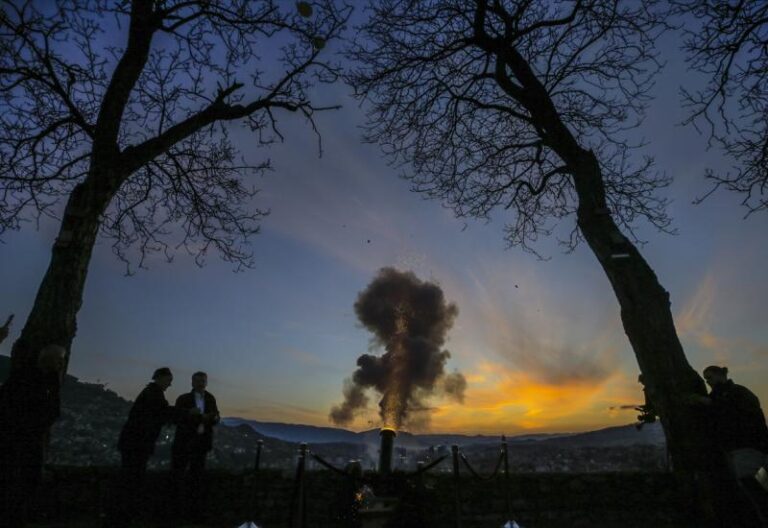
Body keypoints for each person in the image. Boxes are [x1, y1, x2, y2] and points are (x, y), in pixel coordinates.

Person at [0, 344, 66, 528]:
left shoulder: (51, 380)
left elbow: (54, 409)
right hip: (15, 438)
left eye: (62, 360)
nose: (61, 364)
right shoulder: (24, 377)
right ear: (46, 359)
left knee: (29, 479)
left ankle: (17, 516)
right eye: (59, 360)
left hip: (32, 438)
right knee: (14, 478)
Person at [697, 365, 768, 527]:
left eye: (710, 377)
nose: (708, 381)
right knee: (747, 482)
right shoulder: (721, 396)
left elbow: (736, 414)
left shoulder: (738, 393)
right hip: (743, 446)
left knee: (747, 481)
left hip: (749, 444)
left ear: (721, 375)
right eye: (706, 378)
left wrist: (709, 403)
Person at [111, 367, 180, 526]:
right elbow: (162, 412)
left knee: (130, 477)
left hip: (133, 443)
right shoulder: (153, 394)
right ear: (160, 378)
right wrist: (187, 413)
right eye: (169, 381)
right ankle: (122, 516)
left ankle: (121, 515)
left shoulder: (150, 392)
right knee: (132, 478)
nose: (169, 385)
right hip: (137, 444)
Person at [171, 371, 220, 521]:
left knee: (197, 478)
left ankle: (194, 513)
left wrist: (212, 418)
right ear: (192, 382)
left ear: (206, 383)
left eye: (203, 381)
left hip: (201, 444)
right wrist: (191, 414)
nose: (200, 383)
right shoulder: (184, 399)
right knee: (178, 476)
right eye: (198, 381)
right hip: (184, 443)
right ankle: (175, 512)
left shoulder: (210, 398)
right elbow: (176, 417)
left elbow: (216, 415)